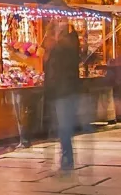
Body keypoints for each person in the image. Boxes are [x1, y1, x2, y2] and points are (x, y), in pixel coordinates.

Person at [44, 21, 81, 172]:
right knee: (63, 127)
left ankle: (66, 159)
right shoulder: (67, 46)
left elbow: (53, 68)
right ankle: (66, 158)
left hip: (62, 92)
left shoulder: (62, 48)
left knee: (64, 127)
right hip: (64, 91)